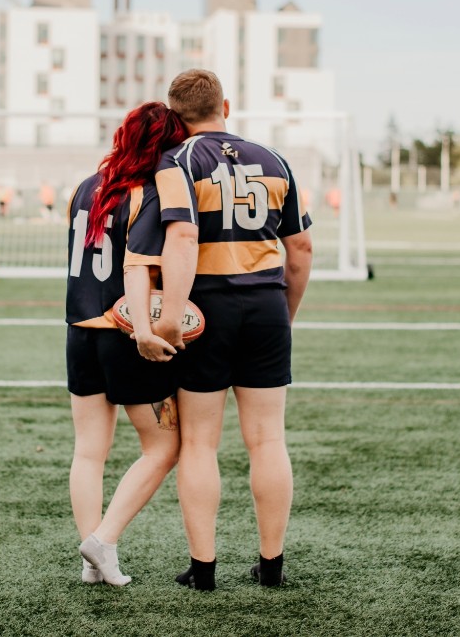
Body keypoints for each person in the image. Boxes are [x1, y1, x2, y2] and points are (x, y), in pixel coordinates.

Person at [152, 69, 313, 591]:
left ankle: (203, 571)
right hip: (266, 305)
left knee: (199, 443)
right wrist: (282, 314)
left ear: (176, 116)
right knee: (268, 440)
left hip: (206, 309)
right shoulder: (275, 159)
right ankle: (271, 568)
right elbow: (302, 249)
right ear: (226, 104)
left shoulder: (177, 160)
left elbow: (179, 241)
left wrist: (171, 315)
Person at [66, 102, 188, 588]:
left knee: (88, 451)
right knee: (165, 444)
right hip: (124, 331)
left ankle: (90, 558)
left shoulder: (86, 185)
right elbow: (139, 265)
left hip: (78, 331)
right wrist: (146, 326)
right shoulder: (150, 190)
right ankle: (104, 540)